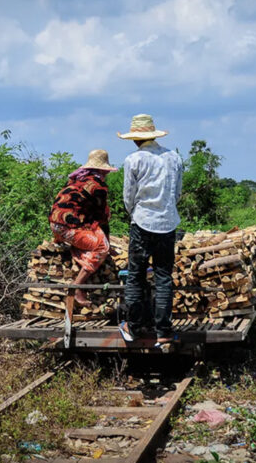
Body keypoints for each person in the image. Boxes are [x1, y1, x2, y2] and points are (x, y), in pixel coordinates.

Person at [117, 114, 183, 346]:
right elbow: (177, 194)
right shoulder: (173, 157)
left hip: (142, 222)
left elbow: (129, 197)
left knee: (136, 276)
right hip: (168, 223)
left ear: (135, 138)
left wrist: (135, 213)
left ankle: (133, 327)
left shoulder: (133, 160)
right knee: (164, 276)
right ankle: (163, 331)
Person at [49, 149, 117, 307]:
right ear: (103, 170)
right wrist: (107, 243)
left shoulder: (77, 180)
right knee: (101, 248)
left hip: (55, 224)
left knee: (92, 235)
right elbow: (101, 218)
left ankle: (72, 246)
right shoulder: (98, 186)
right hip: (68, 227)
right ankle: (78, 286)